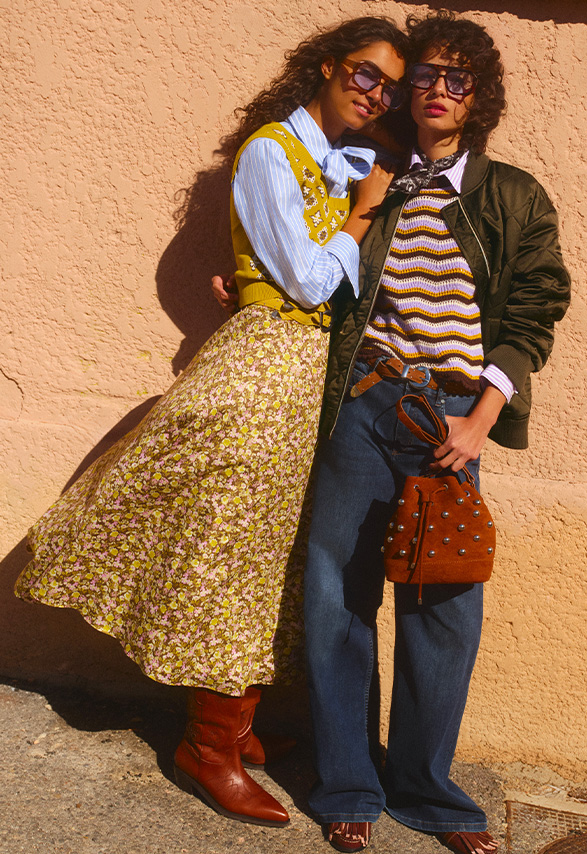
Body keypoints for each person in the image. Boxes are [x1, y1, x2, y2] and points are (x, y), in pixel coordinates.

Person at [14, 17, 407, 829]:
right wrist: (361, 215)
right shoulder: (271, 151)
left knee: (270, 557)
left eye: (390, 88)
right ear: (327, 67)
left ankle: (236, 723)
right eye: (366, 74)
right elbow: (306, 280)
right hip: (265, 372)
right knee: (234, 554)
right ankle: (208, 746)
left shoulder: (342, 162)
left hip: (305, 380)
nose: (377, 94)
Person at [214, 10, 570, 853]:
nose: (439, 89)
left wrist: (482, 418)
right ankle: (347, 783)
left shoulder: (511, 195)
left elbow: (536, 306)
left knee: (444, 606)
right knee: (336, 596)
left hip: (450, 417)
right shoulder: (366, 174)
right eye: (427, 76)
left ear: (479, 97)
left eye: (458, 79)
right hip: (362, 401)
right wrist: (246, 280)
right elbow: (301, 240)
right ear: (409, 91)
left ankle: (429, 792)